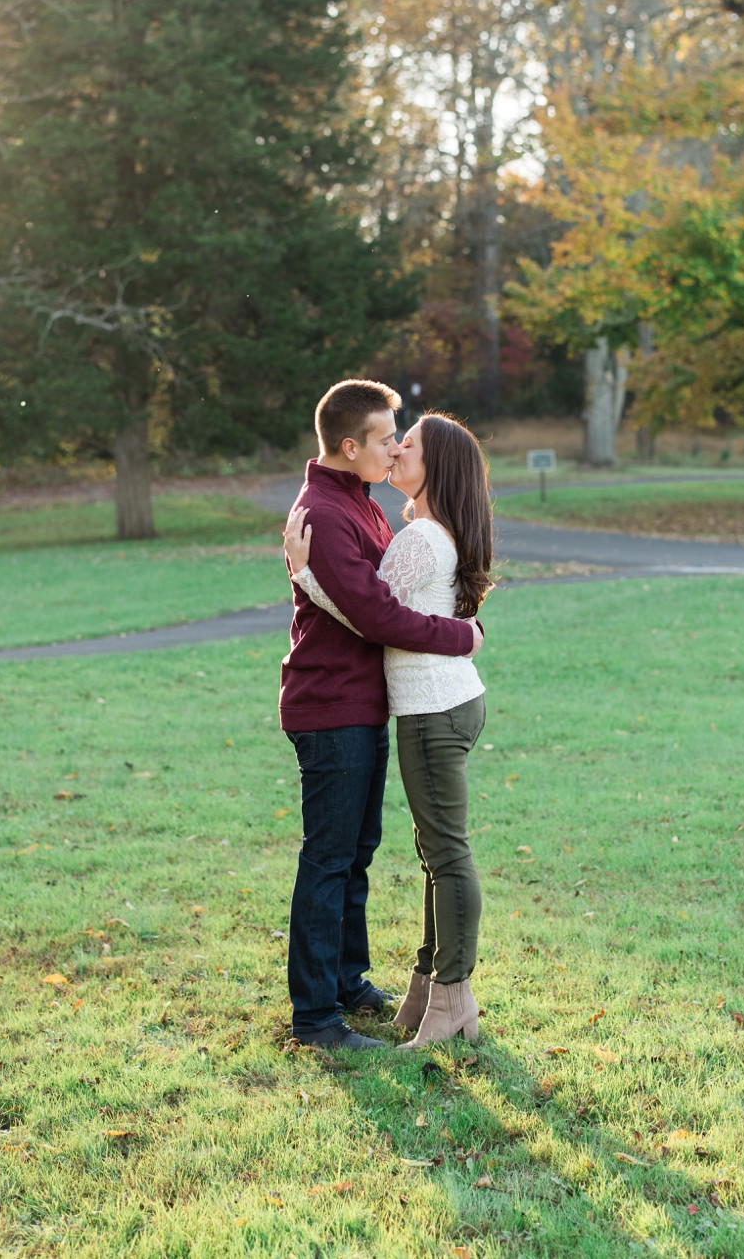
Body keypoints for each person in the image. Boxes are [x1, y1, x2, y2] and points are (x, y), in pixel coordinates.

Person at [279, 381, 483, 1052]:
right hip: (331, 705)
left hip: (368, 703)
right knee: (330, 858)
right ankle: (316, 1018)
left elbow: (386, 601)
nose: (395, 447)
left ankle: (346, 981)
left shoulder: (363, 506)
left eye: (402, 438)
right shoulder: (326, 516)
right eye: (386, 437)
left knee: (355, 854)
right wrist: (464, 634)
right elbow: (376, 615)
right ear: (350, 446)